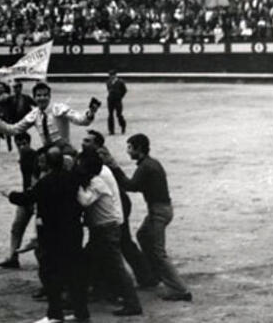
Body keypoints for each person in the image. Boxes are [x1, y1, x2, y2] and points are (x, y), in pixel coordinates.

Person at [100, 133, 193, 302]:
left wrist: (113, 165)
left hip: (158, 212)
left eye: (130, 148)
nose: (128, 151)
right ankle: (155, 274)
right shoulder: (151, 163)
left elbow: (130, 186)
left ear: (139, 149)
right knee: (143, 236)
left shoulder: (146, 167)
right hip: (160, 210)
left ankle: (180, 289)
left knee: (158, 252)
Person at [8, 146, 89, 323]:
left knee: (50, 273)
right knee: (74, 273)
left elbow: (27, 198)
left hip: (52, 235)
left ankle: (55, 314)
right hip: (73, 231)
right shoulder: (72, 178)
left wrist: (11, 195)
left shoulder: (46, 182)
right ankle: (81, 313)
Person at [81, 130, 152, 288]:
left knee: (120, 243)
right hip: (114, 202)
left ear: (97, 145)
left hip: (115, 203)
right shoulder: (96, 156)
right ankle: (144, 276)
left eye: (87, 141)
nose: (83, 144)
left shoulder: (99, 159)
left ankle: (140, 278)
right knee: (118, 243)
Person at [76, 149, 143, 317]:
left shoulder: (97, 182)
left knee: (116, 267)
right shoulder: (96, 179)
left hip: (106, 229)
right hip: (104, 229)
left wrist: (74, 184)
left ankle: (132, 303)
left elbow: (84, 201)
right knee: (95, 262)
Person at [0, 81, 100, 154]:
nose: (42, 98)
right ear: (34, 98)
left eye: (45, 95)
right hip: (47, 151)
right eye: (39, 95)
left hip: (65, 150)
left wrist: (90, 113)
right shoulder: (34, 114)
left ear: (50, 96)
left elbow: (81, 120)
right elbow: (14, 129)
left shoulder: (59, 108)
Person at [0, 132, 38, 268]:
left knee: (38, 232)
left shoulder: (32, 156)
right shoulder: (26, 156)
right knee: (16, 227)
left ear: (29, 142)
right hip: (26, 197)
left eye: (23, 143)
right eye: (18, 144)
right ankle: (13, 257)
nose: (21, 147)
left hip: (32, 198)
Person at [106, 69, 127, 135]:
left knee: (119, 114)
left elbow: (124, 90)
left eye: (112, 75)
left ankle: (123, 126)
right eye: (110, 75)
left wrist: (120, 97)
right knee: (110, 115)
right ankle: (111, 130)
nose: (111, 77)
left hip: (117, 100)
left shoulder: (120, 82)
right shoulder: (108, 82)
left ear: (115, 75)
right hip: (110, 100)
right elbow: (109, 90)